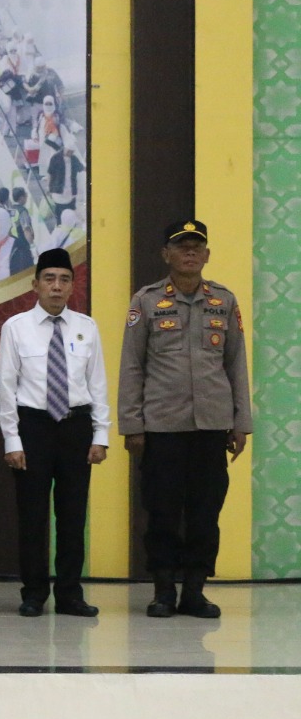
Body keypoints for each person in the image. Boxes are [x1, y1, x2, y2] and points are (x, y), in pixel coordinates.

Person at [118, 220, 252, 618]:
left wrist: (241, 422)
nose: (190, 252)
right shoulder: (146, 301)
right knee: (161, 513)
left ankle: (194, 591)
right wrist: (132, 424)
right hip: (162, 427)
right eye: (181, 246)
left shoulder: (223, 301)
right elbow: (132, 366)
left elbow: (236, 364)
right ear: (166, 254)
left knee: (205, 514)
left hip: (211, 427)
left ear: (207, 254)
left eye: (197, 246)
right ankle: (163, 590)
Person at [0, 247, 109, 617]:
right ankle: (33, 593)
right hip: (33, 427)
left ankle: (70, 594)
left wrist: (100, 435)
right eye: (49, 279)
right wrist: (12, 440)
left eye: (64, 279)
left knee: (73, 516)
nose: (56, 286)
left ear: (73, 285)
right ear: (35, 285)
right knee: (32, 516)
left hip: (76, 427)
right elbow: (7, 388)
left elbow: (97, 384)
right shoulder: (16, 327)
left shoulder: (86, 327)